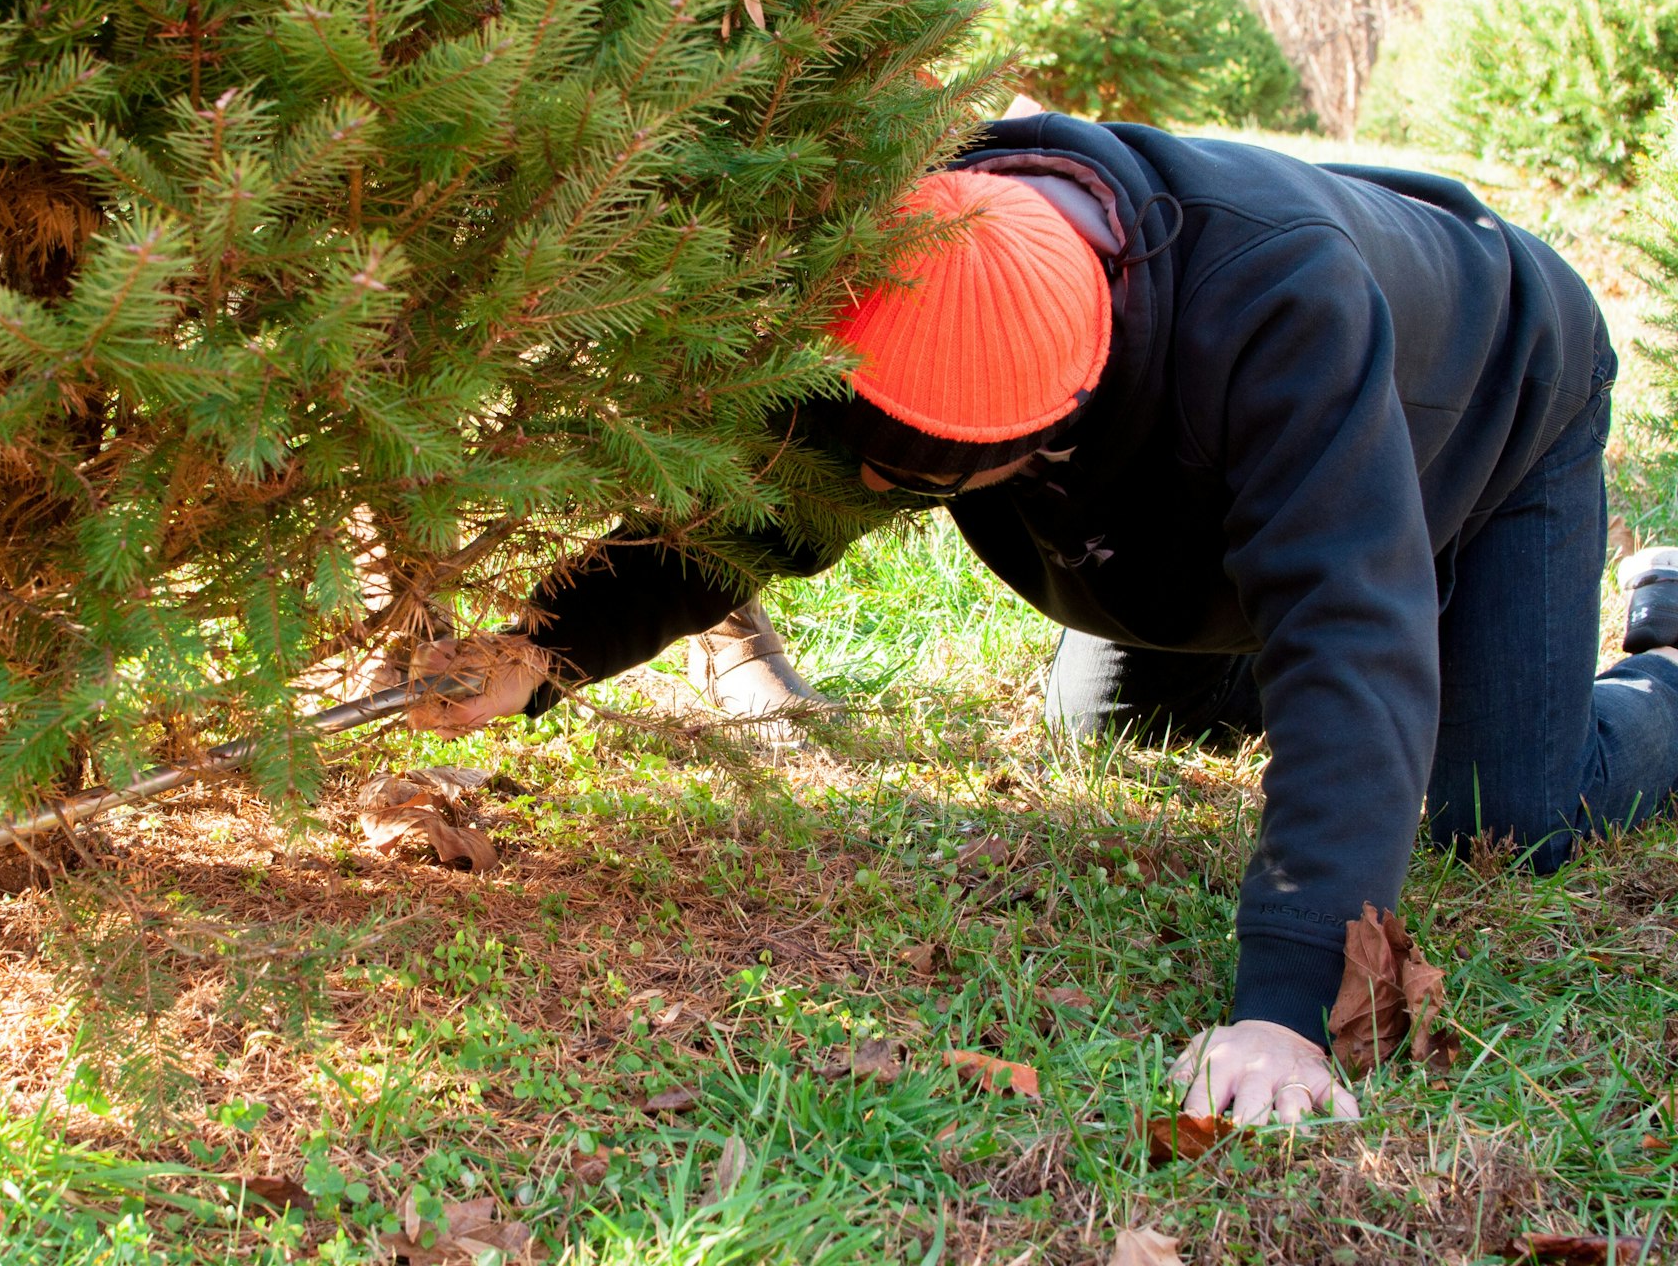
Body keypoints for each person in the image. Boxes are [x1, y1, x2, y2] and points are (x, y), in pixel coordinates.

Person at [411, 111, 1678, 1126]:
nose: (864, 490)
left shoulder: (1279, 314)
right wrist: (543, 650)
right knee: (1112, 716)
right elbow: (758, 508)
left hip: (1500, 398)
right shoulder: (925, 249)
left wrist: (1285, 1005)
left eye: (905, 481)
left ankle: (1656, 654)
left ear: (1058, 414)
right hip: (1216, 521)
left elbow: (1345, 631)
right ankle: (1438, 639)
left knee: (1499, 817)